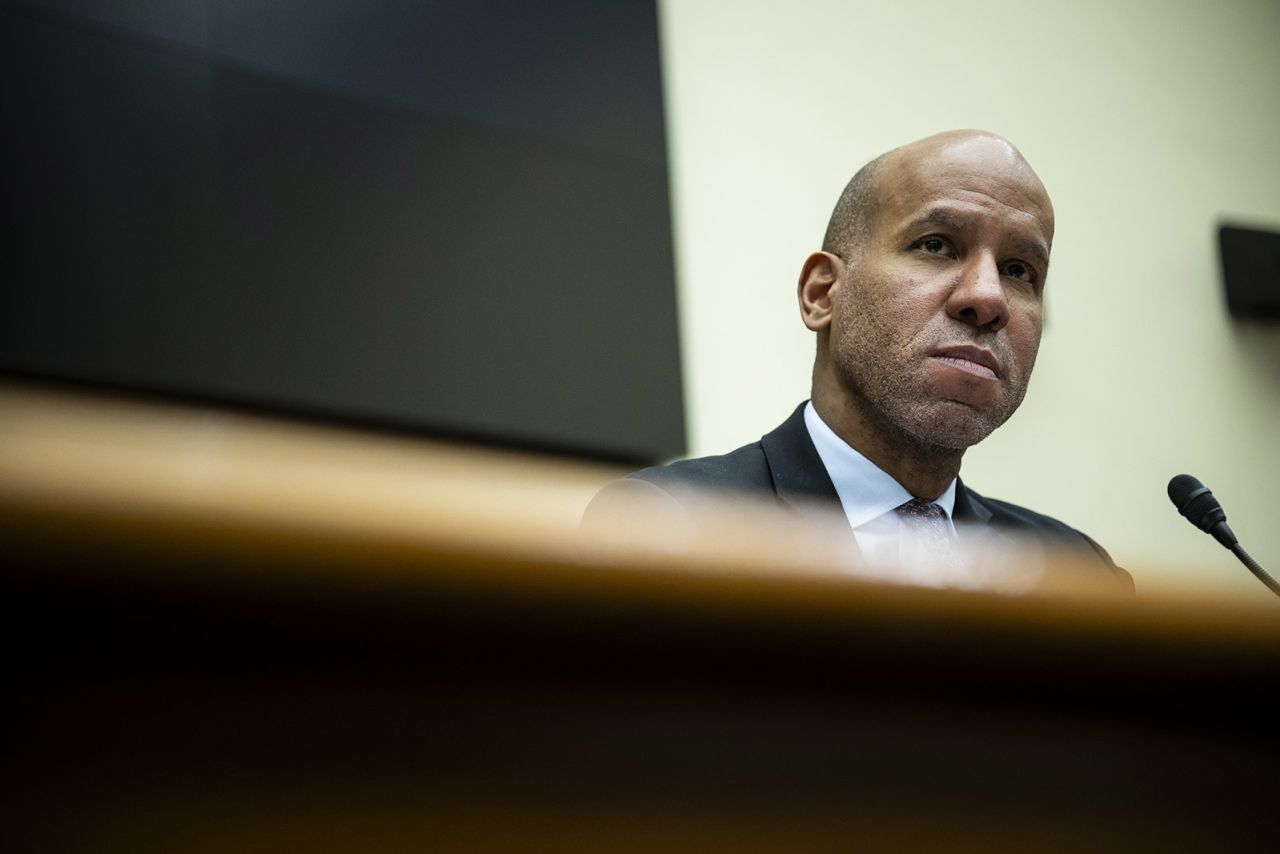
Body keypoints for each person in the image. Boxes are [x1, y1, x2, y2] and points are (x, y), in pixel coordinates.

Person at [584, 130, 1132, 591]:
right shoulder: (670, 528)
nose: (987, 298)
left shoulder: (1077, 574)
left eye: (1019, 270)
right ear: (823, 294)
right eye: (937, 245)